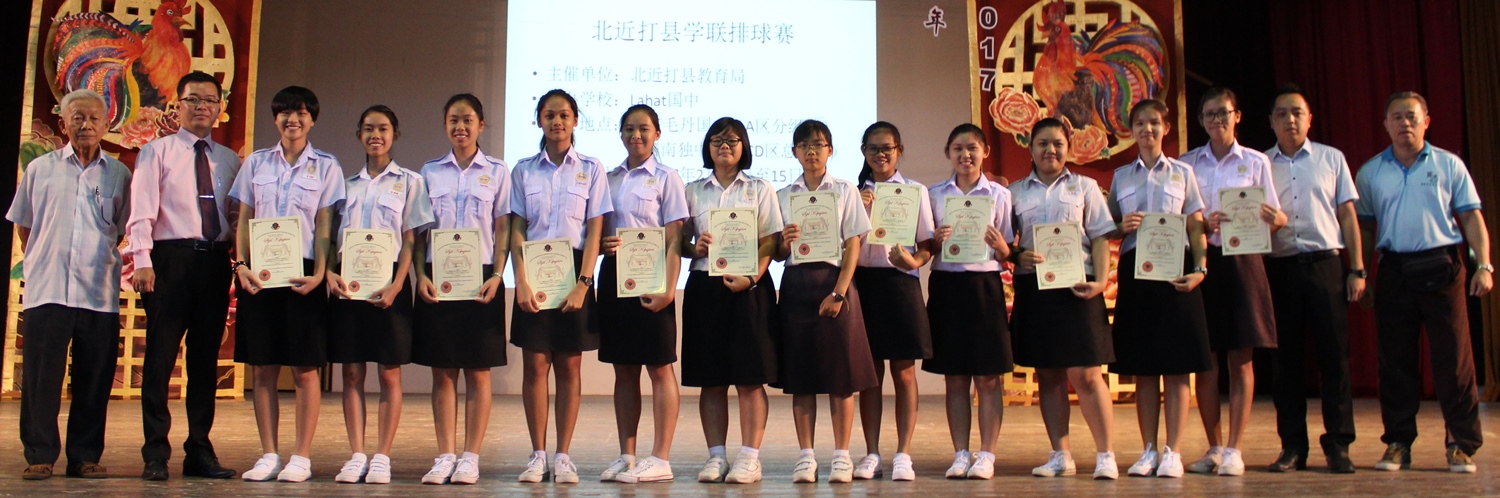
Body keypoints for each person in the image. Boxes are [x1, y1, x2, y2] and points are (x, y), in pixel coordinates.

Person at [1357, 91, 1491, 474]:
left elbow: (1472, 219)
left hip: (1442, 266)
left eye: (1412, 117)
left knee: (1454, 361)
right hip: (1394, 271)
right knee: (1395, 362)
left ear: (1426, 122)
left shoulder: (1449, 165)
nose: (1405, 124)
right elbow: (1365, 228)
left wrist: (1484, 265)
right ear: (1386, 124)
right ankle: (1398, 443)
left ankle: (1460, 444)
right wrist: (1361, 272)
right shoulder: (1370, 173)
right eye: (1397, 117)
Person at [8, 89, 131, 480]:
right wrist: (45, 257)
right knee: (41, 377)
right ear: (63, 124)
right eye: (77, 117)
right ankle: (40, 454)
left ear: (106, 125)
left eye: (94, 118)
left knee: (94, 378)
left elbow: (123, 230)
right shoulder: (39, 169)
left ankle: (85, 456)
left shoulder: (119, 174)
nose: (86, 125)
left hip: (98, 290)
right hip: (48, 287)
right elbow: (25, 225)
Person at [229, 86, 345, 483]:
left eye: (300, 113)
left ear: (312, 119)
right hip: (260, 274)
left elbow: (326, 225)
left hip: (304, 274)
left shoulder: (326, 166)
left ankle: (301, 456)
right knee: (263, 367)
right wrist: (241, 264)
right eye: (285, 113)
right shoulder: (256, 163)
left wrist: (321, 273)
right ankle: (268, 454)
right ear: (275, 117)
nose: (292, 120)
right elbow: (244, 218)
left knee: (304, 368)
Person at [128, 71, 238, 481]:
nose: (201, 107)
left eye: (209, 100)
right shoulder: (156, 152)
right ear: (178, 105)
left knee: (205, 361)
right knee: (160, 358)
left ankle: (199, 450)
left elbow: (235, 217)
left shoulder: (229, 159)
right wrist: (142, 259)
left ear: (219, 108)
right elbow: (141, 210)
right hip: (168, 261)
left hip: (214, 262)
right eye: (193, 99)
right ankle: (156, 452)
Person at [326, 105, 434, 484]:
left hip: (390, 285)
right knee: (351, 372)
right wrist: (330, 273)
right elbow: (330, 237)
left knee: (389, 372)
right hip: (349, 286)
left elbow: (411, 240)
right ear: (359, 134)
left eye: (383, 128)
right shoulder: (343, 185)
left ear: (394, 135)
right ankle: (357, 454)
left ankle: (382, 456)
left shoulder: (410, 182)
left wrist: (398, 284)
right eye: (369, 128)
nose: (376, 135)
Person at [510, 89, 612, 484]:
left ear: (575, 121)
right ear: (539, 120)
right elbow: (517, 229)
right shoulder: (523, 170)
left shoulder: (591, 168)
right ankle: (537, 455)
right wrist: (520, 280)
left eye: (564, 115)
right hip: (533, 272)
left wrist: (584, 283)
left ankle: (564, 455)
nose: (557, 122)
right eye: (550, 115)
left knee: (569, 365)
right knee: (535, 365)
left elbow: (595, 228)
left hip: (574, 272)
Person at [1183, 87, 1286, 476]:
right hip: (1204, 261)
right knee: (1205, 360)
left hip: (1244, 261)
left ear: (1237, 116)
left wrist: (1272, 219)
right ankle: (1213, 447)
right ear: (1201, 120)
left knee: (1241, 357)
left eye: (1222, 113)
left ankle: (1234, 449)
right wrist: (1201, 223)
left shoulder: (1257, 161)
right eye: (1209, 115)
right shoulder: (1187, 163)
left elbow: (1276, 217)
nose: (1216, 120)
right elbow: (1184, 218)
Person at [1106, 99, 1211, 479]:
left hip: (1175, 272)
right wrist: (1121, 227)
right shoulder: (1121, 176)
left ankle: (1173, 451)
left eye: (1154, 123)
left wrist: (1200, 268)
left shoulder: (1183, 173)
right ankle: (1148, 449)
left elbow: (1196, 224)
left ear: (1166, 128)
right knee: (1144, 367)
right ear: (1131, 130)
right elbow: (1109, 225)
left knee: (1178, 367)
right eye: (1139, 123)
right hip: (1136, 273)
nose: (1147, 129)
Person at [1011, 117, 1119, 480]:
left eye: (1057, 143)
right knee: (1049, 376)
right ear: (1030, 148)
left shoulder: (1085, 187)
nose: (1050, 150)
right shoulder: (1014, 192)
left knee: (1087, 375)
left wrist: (1101, 281)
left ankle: (1106, 454)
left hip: (1079, 288)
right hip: (1035, 289)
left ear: (1068, 148)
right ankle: (1061, 454)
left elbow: (1101, 237)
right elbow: (1006, 245)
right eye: (1042, 143)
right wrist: (1018, 256)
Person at [412, 94, 511, 485]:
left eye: (468, 120)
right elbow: (419, 233)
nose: (460, 127)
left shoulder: (498, 171)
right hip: (438, 276)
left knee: (478, 371)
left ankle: (470, 457)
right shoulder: (429, 171)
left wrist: (498, 274)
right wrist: (419, 275)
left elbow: (502, 229)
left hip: (481, 278)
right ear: (445, 125)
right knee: (443, 372)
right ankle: (445, 455)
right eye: (453, 120)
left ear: (481, 125)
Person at [1262, 85, 1361, 474]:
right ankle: (1292, 446)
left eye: (1297, 113)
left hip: (1326, 265)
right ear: (1271, 122)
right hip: (1279, 267)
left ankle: (1338, 444)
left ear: (1309, 119)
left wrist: (1357, 269)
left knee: (1334, 357)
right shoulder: (1260, 164)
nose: (1290, 120)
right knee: (1285, 362)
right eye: (1282, 113)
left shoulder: (1331, 159)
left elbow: (1347, 215)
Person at [774, 119, 878, 484]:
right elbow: (776, 253)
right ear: (794, 152)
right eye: (804, 145)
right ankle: (806, 456)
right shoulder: (783, 195)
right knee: (801, 377)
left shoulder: (845, 190)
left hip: (835, 284)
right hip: (796, 285)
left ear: (830, 150)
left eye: (818, 145)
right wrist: (784, 242)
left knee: (840, 377)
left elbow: (853, 245)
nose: (811, 151)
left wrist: (839, 293)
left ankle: (841, 456)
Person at [681, 117, 782, 484]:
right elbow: (679, 240)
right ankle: (716, 457)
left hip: (749, 288)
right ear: (707, 147)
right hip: (704, 288)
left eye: (732, 140)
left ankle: (750, 458)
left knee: (750, 378)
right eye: (717, 140)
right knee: (711, 379)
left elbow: (771, 240)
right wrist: (695, 248)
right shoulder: (692, 190)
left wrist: (752, 277)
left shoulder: (760, 188)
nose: (724, 146)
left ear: (744, 147)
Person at [597, 104, 688, 484]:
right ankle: (627, 455)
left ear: (657, 134)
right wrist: (601, 244)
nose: (636, 135)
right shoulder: (607, 178)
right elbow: (596, 232)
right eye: (629, 129)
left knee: (659, 367)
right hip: (615, 278)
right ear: (621, 134)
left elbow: (675, 239)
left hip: (653, 279)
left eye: (644, 129)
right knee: (623, 369)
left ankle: (661, 457)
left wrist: (668, 289)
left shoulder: (668, 178)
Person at [923, 123, 1014, 480]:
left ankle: (987, 454)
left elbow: (1007, 251)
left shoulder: (999, 195)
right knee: (955, 378)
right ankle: (960, 453)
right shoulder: (933, 195)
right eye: (958, 148)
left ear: (985, 152)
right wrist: (935, 241)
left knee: (988, 378)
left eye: (972, 148)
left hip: (985, 287)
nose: (965, 155)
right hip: (947, 287)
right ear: (948, 153)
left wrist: (1001, 246)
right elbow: (926, 249)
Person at [851, 122, 934, 481]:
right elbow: (839, 244)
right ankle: (871, 453)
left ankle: (904, 454)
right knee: (869, 375)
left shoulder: (915, 191)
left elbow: (927, 245)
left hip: (901, 284)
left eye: (887, 148)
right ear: (864, 152)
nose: (880, 154)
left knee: (903, 372)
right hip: (863, 285)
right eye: (873, 148)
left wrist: (914, 261)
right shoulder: (851, 193)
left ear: (899, 150)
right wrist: (858, 210)